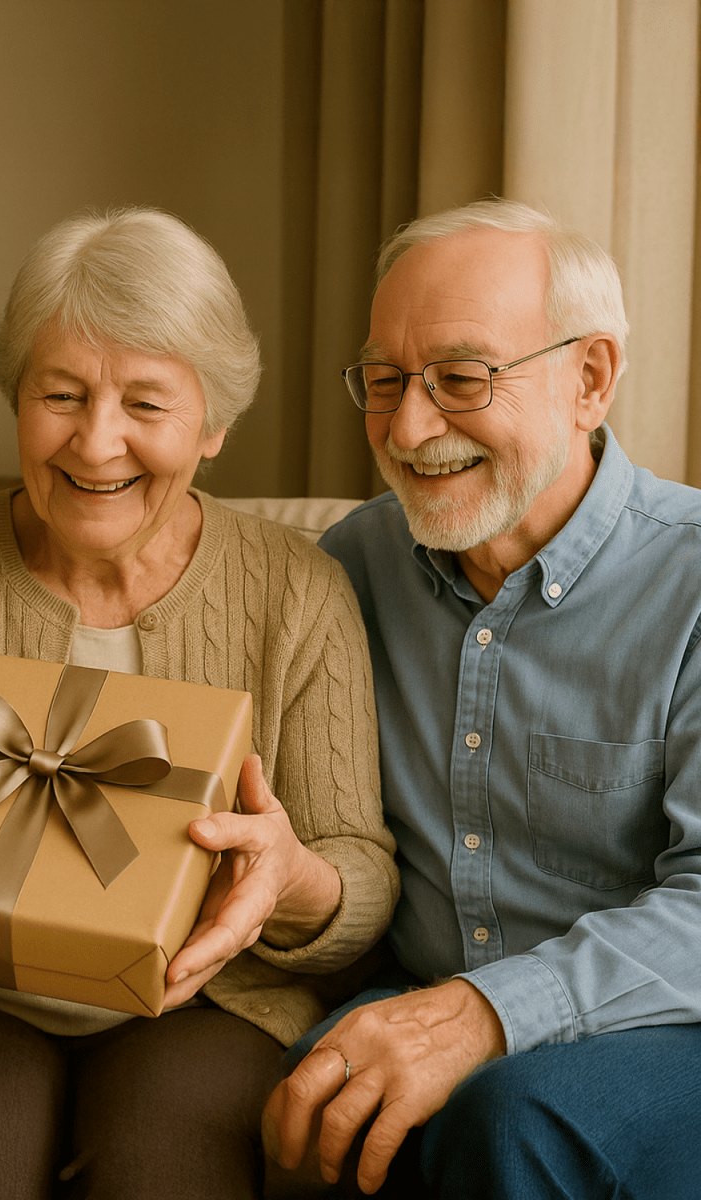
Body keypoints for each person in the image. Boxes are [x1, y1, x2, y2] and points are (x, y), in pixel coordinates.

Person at [0, 206, 399, 1200]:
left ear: (213, 425)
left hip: (212, 1003)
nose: (96, 443)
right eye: (62, 395)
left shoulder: (299, 591)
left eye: (146, 404)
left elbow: (363, 875)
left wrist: (292, 877)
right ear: (18, 398)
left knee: (165, 1161)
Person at [262, 198, 701, 1199]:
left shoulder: (692, 582)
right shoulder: (351, 566)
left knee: (511, 1119)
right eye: (384, 381)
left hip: (666, 1023)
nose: (409, 429)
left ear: (591, 378)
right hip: (419, 991)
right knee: (309, 1092)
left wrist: (485, 1013)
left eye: (462, 379)